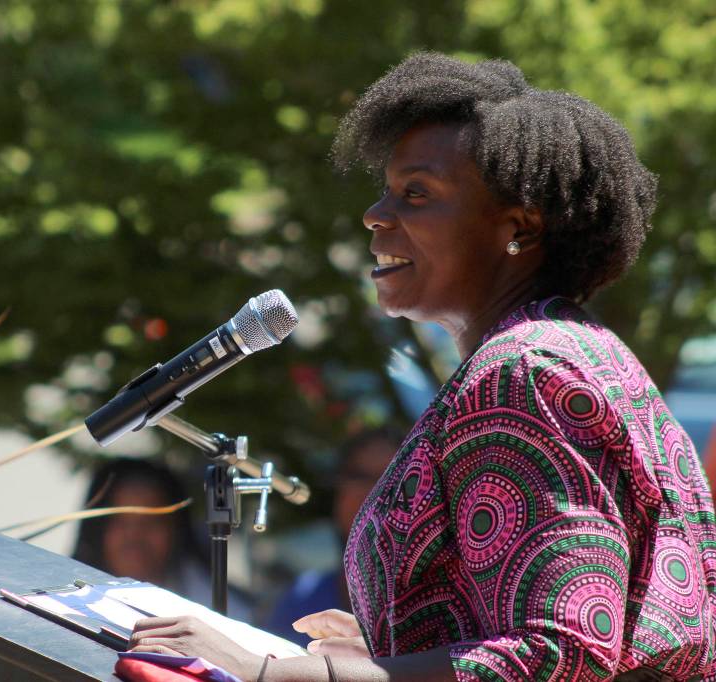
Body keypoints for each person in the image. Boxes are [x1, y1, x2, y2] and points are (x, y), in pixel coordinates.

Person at [125, 52, 716, 681]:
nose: (375, 214)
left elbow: (561, 654)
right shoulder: (572, 349)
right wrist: (387, 642)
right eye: (386, 190)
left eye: (417, 193)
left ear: (517, 228)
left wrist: (272, 673)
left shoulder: (525, 374)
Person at [72, 457, 252, 621]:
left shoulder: (221, 612)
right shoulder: (65, 598)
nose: (135, 535)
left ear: (176, 528)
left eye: (152, 521)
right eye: (120, 520)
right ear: (95, 528)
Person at [266, 429, 399, 646]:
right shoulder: (302, 597)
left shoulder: (443, 613)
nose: (372, 492)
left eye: (390, 479)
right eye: (359, 476)